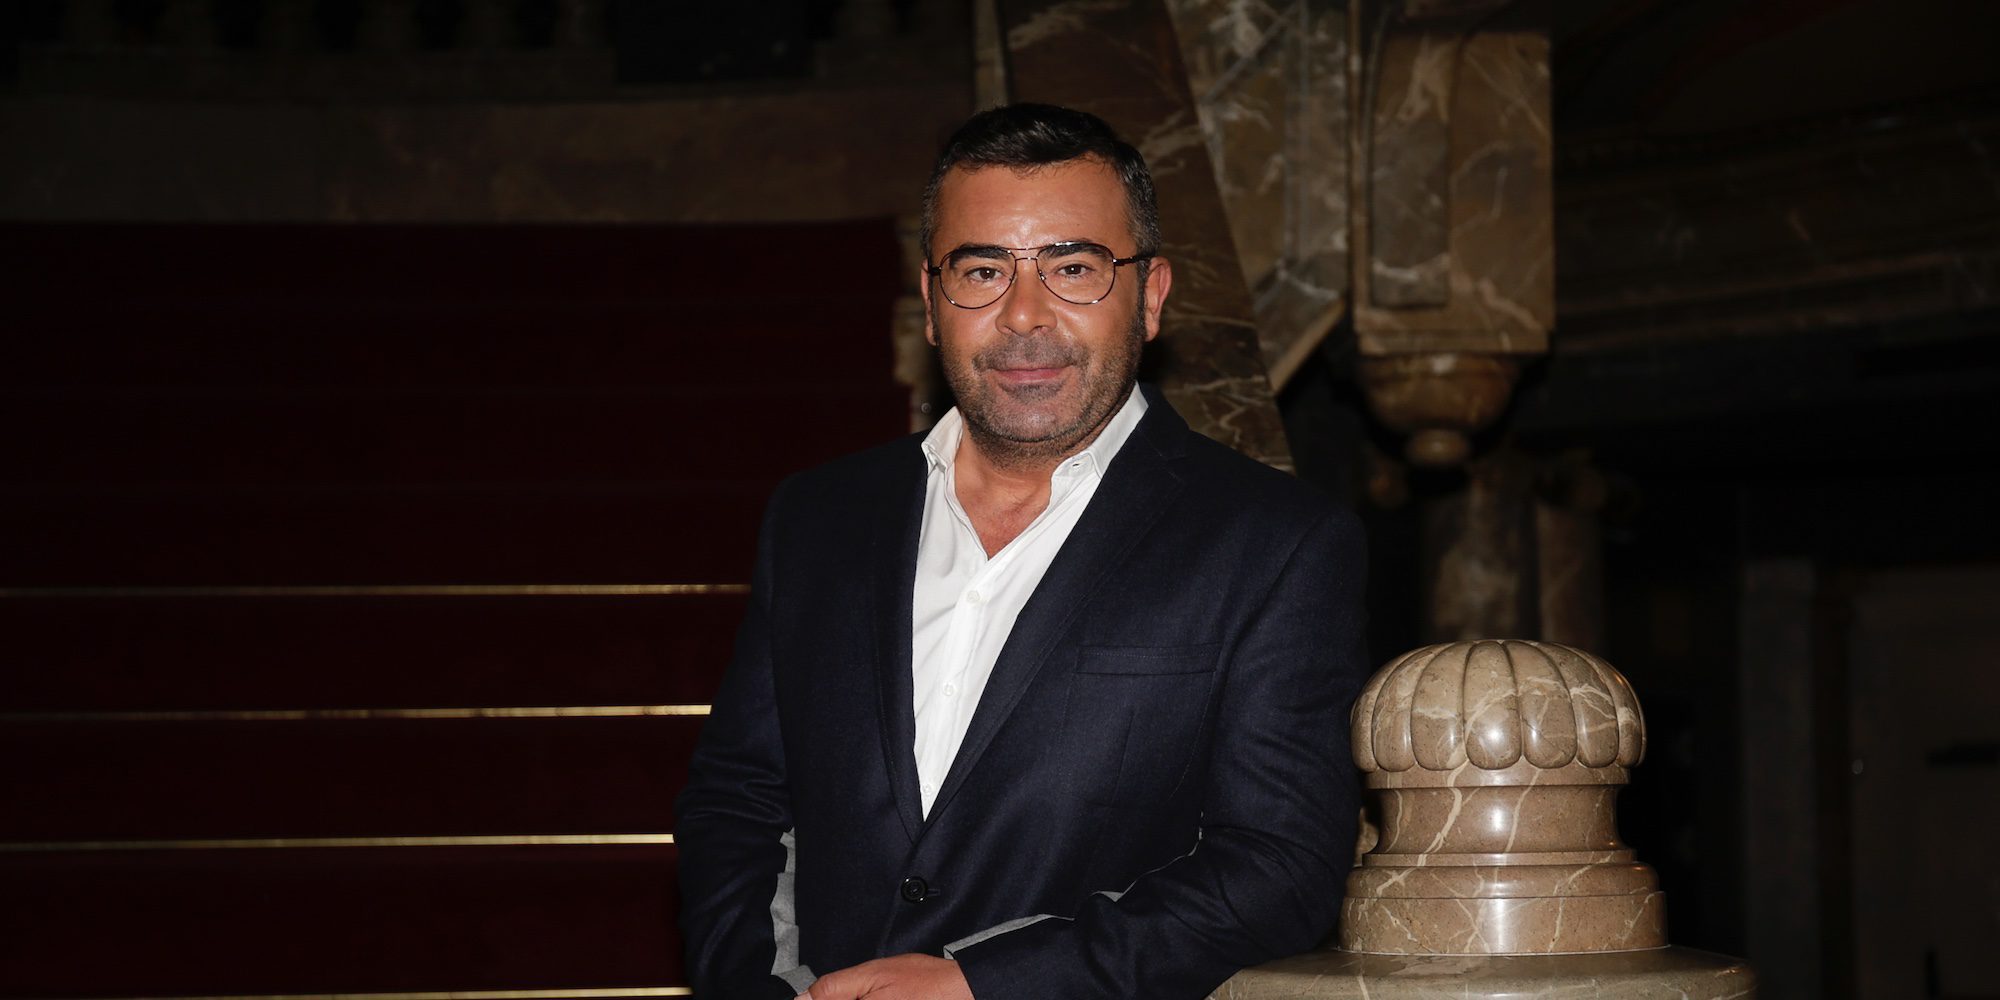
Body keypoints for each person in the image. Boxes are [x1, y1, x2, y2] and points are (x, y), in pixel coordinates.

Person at [675, 103, 1367, 1000]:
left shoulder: (1276, 543)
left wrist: (985, 984)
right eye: (982, 271)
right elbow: (738, 798)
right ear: (932, 304)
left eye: (1074, 268)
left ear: (1151, 295)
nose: (1024, 315)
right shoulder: (820, 518)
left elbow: (1281, 867)